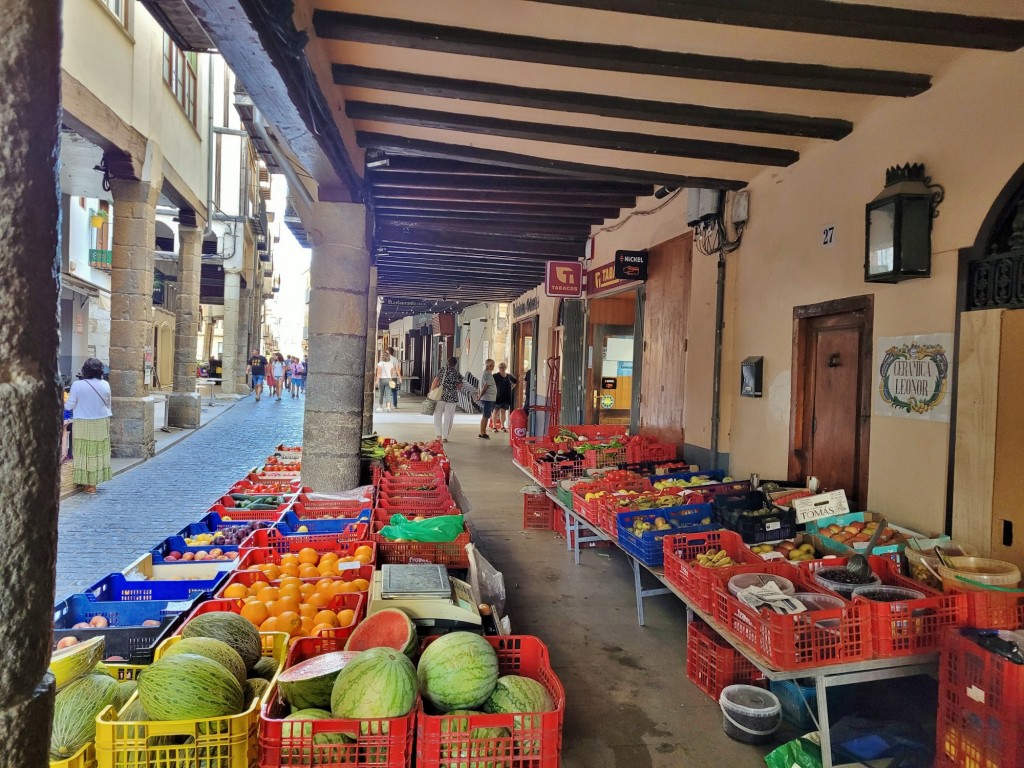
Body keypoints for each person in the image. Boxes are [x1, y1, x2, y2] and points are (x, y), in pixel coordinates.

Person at [65, 358, 113, 494]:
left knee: (83, 451)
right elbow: (108, 404)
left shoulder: (77, 385)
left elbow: (69, 406)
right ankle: (93, 483)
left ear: (85, 370)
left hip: (83, 421)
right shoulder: (105, 384)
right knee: (97, 451)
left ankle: (85, 481)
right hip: (101, 421)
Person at [431, 356, 464, 442]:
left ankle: (438, 435)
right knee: (448, 417)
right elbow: (460, 387)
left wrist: (431, 392)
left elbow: (435, 381)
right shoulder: (457, 374)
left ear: (447, 363)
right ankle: (445, 437)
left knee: (438, 415)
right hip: (452, 398)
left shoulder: (442, 370)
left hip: (440, 396)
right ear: (455, 364)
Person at [491, 362, 518, 432]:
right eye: (501, 368)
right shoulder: (495, 376)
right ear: (499, 368)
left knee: (503, 411)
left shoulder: (508, 376)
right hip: (497, 396)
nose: (502, 369)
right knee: (496, 411)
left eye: (503, 368)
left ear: (505, 368)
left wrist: (511, 387)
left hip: (506, 396)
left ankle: (502, 426)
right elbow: (490, 383)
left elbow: (515, 382)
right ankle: (494, 426)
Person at [475, 359, 497, 440]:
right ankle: (482, 433)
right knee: (486, 416)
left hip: (487, 398)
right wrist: (480, 395)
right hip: (488, 398)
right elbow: (485, 386)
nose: (494, 366)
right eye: (493, 365)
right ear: (490, 365)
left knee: (486, 415)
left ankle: (483, 432)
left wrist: (479, 395)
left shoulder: (484, 373)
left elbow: (479, 386)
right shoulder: (488, 374)